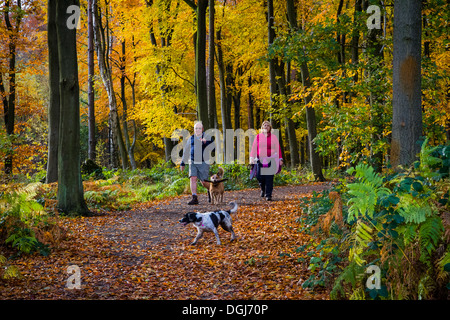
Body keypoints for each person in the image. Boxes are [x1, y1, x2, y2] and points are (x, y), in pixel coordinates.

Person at [180, 121, 213, 205]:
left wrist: (206, 143)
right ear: (194, 129)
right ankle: (194, 198)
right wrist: (183, 162)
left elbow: (214, 148)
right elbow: (186, 150)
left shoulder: (207, 137)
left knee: (204, 181)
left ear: (202, 129)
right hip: (193, 161)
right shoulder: (191, 138)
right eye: (196, 128)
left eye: (199, 128)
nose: (197, 130)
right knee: (193, 178)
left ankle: (211, 190)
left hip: (203, 162)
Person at [249, 121, 283, 201]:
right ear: (262, 127)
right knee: (259, 177)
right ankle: (263, 189)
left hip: (271, 159)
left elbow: (278, 148)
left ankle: (268, 195)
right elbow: (254, 148)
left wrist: (280, 159)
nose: (266, 126)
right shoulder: (258, 137)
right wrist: (251, 158)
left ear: (270, 128)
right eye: (264, 125)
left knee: (269, 178)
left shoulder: (274, 137)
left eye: (268, 125)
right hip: (259, 160)